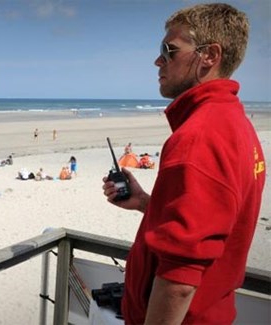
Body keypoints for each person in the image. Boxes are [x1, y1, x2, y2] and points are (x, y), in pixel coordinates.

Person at [101, 4, 265, 324]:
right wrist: (147, 203)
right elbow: (211, 221)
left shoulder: (198, 137)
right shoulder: (235, 123)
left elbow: (179, 280)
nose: (158, 60)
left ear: (209, 56)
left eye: (169, 50)